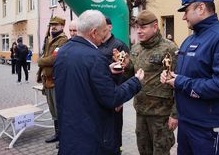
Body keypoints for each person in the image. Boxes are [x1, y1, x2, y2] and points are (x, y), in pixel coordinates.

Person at [160, 0, 219, 155]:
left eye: (186, 11)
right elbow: (188, 74)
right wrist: (171, 76)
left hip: (208, 127)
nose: (183, 17)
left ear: (201, 8)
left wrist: (180, 82)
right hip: (187, 122)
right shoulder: (190, 39)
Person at [54, 10, 144, 155]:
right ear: (94, 32)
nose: (105, 35)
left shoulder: (64, 51)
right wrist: (135, 81)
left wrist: (106, 72)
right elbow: (112, 98)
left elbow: (79, 82)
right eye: (103, 31)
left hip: (70, 132)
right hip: (91, 137)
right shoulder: (95, 57)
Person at [123, 10, 178, 155]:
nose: (139, 31)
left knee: (161, 151)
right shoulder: (135, 48)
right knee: (144, 151)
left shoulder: (170, 48)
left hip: (161, 114)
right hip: (141, 111)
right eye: (137, 27)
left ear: (155, 27)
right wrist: (126, 66)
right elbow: (132, 76)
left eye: (143, 27)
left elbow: (178, 82)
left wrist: (175, 114)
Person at [98, 17, 130, 154]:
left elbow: (125, 73)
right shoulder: (96, 45)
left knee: (115, 128)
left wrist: (120, 98)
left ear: (110, 27)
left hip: (114, 94)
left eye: (102, 26)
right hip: (100, 94)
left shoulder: (119, 45)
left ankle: (117, 149)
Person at [37, 16, 68, 144]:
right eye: (51, 24)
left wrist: (40, 61)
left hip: (56, 80)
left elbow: (55, 59)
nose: (53, 26)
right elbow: (46, 55)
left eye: (56, 24)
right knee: (53, 110)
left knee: (59, 109)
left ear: (62, 26)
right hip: (47, 79)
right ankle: (57, 134)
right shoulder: (50, 38)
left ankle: (63, 136)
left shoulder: (63, 41)